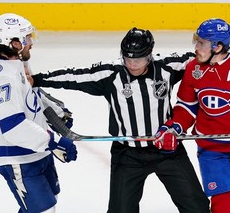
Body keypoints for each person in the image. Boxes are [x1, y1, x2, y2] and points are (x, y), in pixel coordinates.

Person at [29, 27, 210, 213]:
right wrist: (37, 79)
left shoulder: (167, 66)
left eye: (137, 60)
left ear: (149, 56)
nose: (132, 64)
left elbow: (204, 56)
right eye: (128, 59)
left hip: (168, 150)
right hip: (127, 155)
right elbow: (74, 75)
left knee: (198, 207)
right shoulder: (111, 73)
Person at [169, 18, 230, 212]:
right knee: (223, 205)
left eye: (202, 43)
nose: (196, 47)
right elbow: (186, 107)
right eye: (196, 41)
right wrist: (176, 127)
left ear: (218, 47)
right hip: (211, 147)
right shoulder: (193, 68)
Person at [0, 13, 77, 212]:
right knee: (43, 210)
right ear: (15, 43)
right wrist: (53, 143)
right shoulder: (2, 77)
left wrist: (56, 112)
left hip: (35, 148)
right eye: (27, 38)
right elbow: (12, 126)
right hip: (15, 155)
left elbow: (29, 93)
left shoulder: (15, 62)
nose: (31, 42)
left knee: (50, 199)